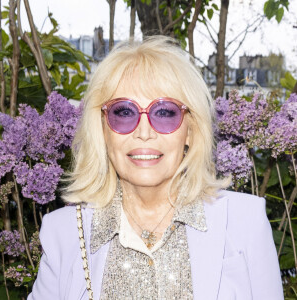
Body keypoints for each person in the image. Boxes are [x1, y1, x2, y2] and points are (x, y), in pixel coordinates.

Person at [28, 36, 283, 300]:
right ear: (102, 130)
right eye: (124, 112)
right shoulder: (64, 233)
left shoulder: (245, 223)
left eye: (164, 112)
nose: (144, 132)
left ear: (190, 131)